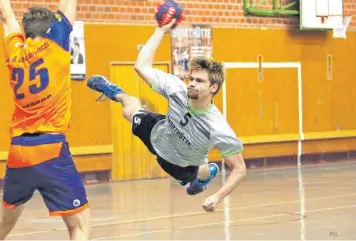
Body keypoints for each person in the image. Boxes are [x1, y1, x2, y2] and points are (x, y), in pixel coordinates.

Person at [0, 0, 90, 239]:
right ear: (52, 28)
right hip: (50, 147)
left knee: (2, 223)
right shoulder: (56, 45)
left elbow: (6, 16)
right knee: (79, 225)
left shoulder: (15, 52)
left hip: (19, 151)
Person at [87, 19, 246, 212]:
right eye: (192, 79)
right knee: (128, 110)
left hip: (181, 162)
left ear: (213, 87)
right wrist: (160, 30)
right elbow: (141, 67)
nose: (192, 83)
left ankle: (208, 172)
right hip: (158, 133)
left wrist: (217, 197)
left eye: (199, 81)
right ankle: (115, 91)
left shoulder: (218, 127)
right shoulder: (177, 89)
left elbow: (239, 169)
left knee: (197, 179)